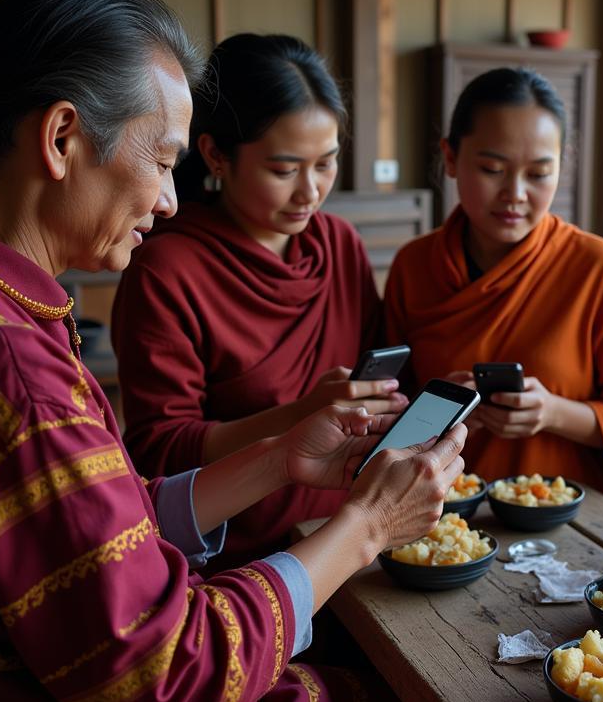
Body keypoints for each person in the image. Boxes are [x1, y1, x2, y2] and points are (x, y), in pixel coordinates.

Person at [0, 0, 538, 702]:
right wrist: (367, 526)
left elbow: (105, 525)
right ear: (63, 137)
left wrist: (277, 460)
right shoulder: (10, 363)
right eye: (159, 160)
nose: (169, 200)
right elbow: (165, 679)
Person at [111, 34, 405, 570]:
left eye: (326, 164)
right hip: (241, 559)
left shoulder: (339, 244)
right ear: (216, 155)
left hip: (353, 533)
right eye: (284, 169)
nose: (310, 192)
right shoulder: (166, 269)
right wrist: (301, 415)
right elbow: (161, 452)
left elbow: (375, 377)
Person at [385, 67, 603, 521]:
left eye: (539, 173)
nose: (515, 194)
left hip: (571, 520)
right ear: (449, 157)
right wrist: (443, 409)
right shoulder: (415, 266)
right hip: (443, 520)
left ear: (564, 162)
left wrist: (554, 413)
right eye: (492, 169)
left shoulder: (597, 267)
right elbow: (390, 406)